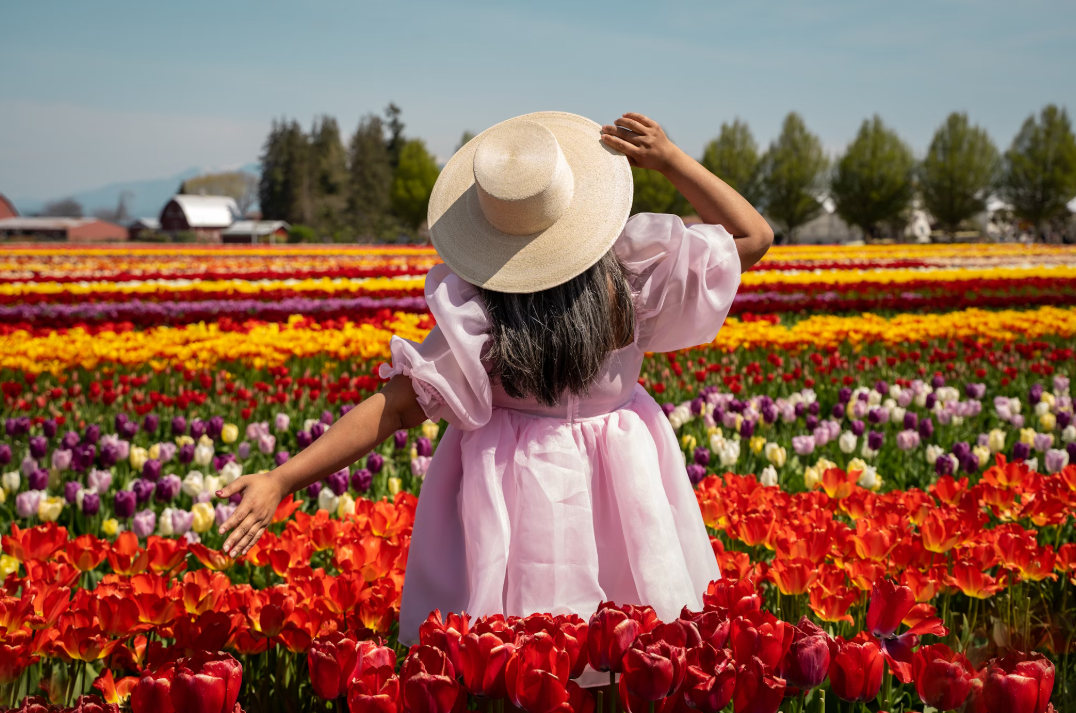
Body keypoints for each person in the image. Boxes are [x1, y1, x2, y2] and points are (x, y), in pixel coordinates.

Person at [217, 111, 773, 645]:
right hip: (625, 480)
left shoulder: (483, 315)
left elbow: (394, 407)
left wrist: (282, 478)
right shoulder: (627, 283)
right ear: (582, 209)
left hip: (513, 489)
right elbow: (753, 236)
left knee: (525, 654)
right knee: (632, 639)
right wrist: (671, 161)